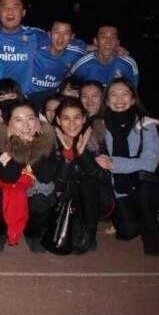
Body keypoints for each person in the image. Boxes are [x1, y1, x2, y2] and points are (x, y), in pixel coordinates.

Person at [99, 78, 159, 256]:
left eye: (125, 94)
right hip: (120, 190)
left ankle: (152, 234)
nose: (119, 99)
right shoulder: (100, 126)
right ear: (107, 101)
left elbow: (150, 163)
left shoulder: (146, 125)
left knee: (144, 191)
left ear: (132, 99)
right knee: (127, 233)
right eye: (113, 94)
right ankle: (133, 217)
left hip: (147, 187)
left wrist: (113, 163)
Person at [0, 99, 58, 253]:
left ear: (38, 122)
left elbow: (45, 176)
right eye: (18, 120)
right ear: (9, 125)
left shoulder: (47, 140)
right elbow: (8, 177)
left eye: (30, 118)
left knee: (42, 198)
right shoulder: (2, 140)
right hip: (10, 188)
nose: (26, 125)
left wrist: (34, 146)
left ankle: (33, 234)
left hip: (33, 189)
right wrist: (18, 146)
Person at [52, 96, 111, 253]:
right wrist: (67, 155)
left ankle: (91, 232)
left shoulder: (93, 139)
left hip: (93, 199)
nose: (72, 123)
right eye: (66, 118)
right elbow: (58, 185)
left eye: (77, 117)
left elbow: (103, 178)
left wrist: (83, 153)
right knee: (67, 243)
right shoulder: (52, 141)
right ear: (58, 120)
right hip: (64, 199)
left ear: (84, 119)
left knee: (88, 183)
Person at [27, 18, 86, 110]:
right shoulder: (35, 47)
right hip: (28, 96)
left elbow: (92, 49)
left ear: (72, 37)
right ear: (49, 34)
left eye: (66, 33)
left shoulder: (76, 51)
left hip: (53, 99)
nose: (60, 38)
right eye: (57, 32)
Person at [68, 23, 139, 88]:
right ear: (96, 41)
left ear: (117, 42)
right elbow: (68, 87)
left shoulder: (128, 64)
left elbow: (133, 90)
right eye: (103, 37)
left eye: (113, 37)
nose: (108, 41)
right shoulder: (82, 64)